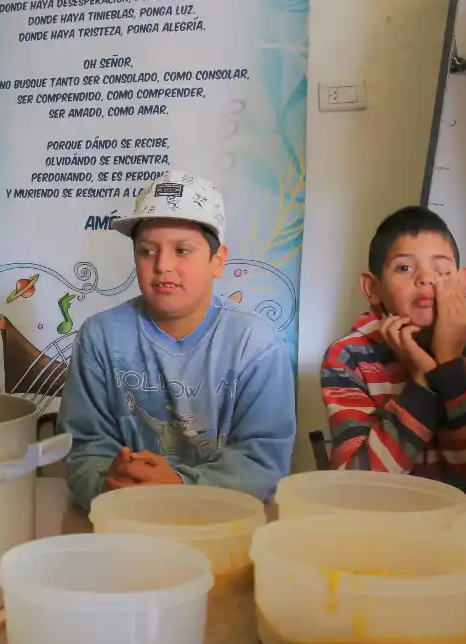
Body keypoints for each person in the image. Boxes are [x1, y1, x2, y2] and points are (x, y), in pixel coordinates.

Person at [57, 171, 297, 511]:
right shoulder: (100, 337)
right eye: (147, 251)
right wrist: (106, 483)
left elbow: (264, 462)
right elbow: (84, 449)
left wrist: (180, 487)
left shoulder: (255, 344)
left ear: (218, 260)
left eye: (182, 250)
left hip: (223, 525)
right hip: (125, 523)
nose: (162, 266)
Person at [321, 206, 466, 489]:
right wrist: (422, 381)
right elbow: (358, 485)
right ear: (373, 288)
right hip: (381, 523)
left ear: (462, 282)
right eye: (404, 267)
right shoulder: (349, 357)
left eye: (442, 270)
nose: (427, 278)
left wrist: (449, 365)